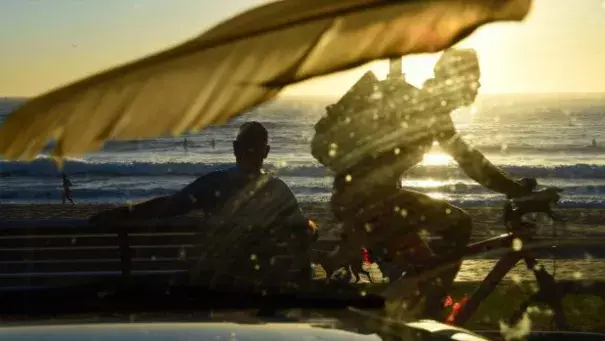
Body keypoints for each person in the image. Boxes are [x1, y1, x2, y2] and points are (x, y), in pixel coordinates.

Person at [311, 49, 534, 317]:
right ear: (458, 81)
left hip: (365, 200)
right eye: (475, 78)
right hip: (372, 204)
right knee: (459, 224)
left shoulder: (423, 103)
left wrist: (514, 188)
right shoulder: (429, 109)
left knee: (420, 272)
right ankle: (430, 314)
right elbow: (469, 161)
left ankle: (419, 309)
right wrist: (515, 190)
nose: (478, 86)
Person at [91, 121, 317, 286]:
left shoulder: (212, 184)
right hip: (263, 284)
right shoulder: (279, 190)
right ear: (266, 152)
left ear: (235, 149)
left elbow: (167, 207)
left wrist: (121, 214)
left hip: (216, 282)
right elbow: (303, 233)